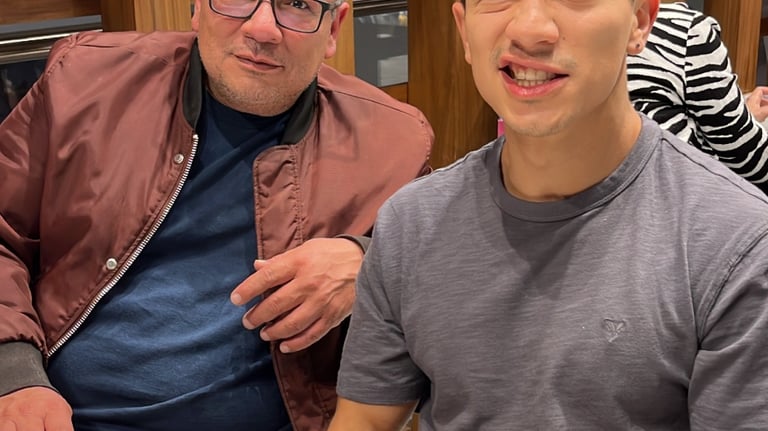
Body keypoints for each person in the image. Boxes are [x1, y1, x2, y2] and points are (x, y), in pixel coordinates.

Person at [330, 0, 768, 429]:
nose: (529, 29)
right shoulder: (411, 222)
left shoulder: (737, 246)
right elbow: (365, 418)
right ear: (464, 31)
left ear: (639, 22)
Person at [0, 0, 433, 429]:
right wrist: (14, 374)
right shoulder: (82, 78)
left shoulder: (393, 142)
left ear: (334, 27)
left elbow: (441, 279)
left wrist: (366, 261)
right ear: (196, 8)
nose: (262, 29)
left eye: (297, 4)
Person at [628, 1, 768, 192]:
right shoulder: (688, 32)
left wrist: (741, 119)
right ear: (643, 18)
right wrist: (742, 123)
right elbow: (747, 159)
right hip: (689, 192)